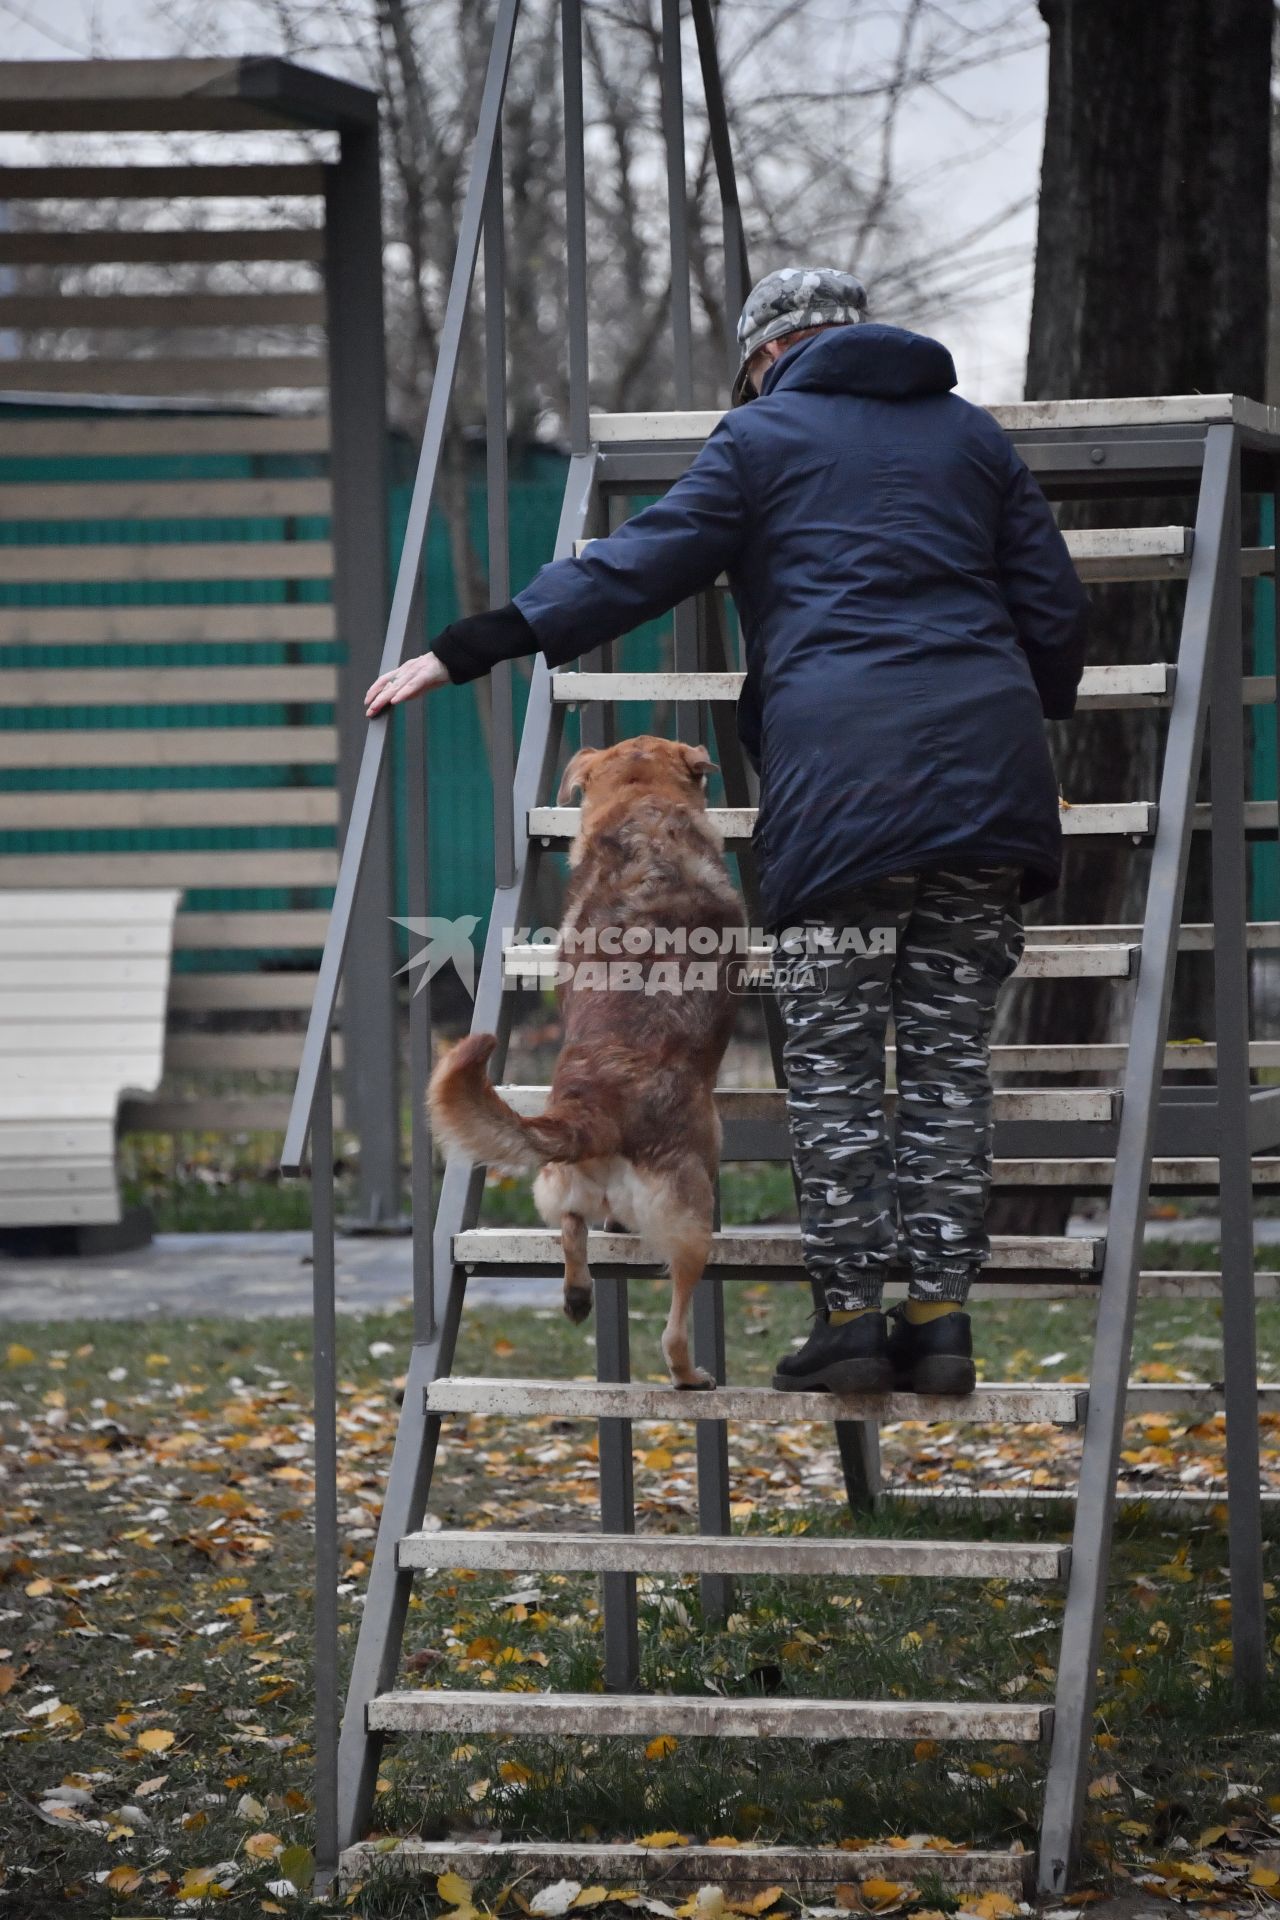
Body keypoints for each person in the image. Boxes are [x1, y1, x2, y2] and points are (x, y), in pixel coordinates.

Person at [367, 265, 1088, 1397]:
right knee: (948, 1068)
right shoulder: (972, 438)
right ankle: (941, 1321)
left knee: (837, 1064)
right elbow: (1052, 607)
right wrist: (1019, 704)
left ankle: (851, 1321)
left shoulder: (760, 438)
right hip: (985, 792)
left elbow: (638, 564)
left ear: (764, 356)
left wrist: (471, 644)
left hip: (843, 796)